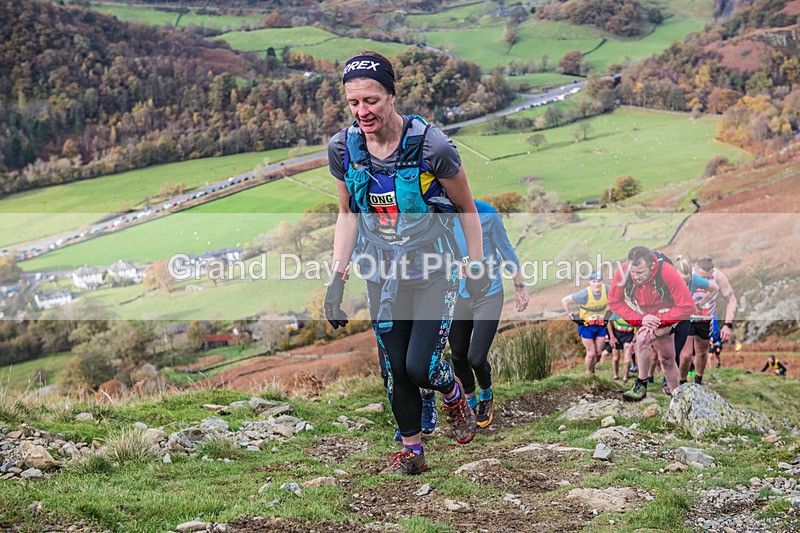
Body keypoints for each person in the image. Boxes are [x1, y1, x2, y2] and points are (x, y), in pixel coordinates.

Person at [325, 52, 487, 475]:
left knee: (422, 366)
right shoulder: (343, 148)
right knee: (395, 370)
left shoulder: (432, 146)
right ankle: (413, 451)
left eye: (372, 100)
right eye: (354, 103)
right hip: (382, 275)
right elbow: (347, 214)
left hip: (435, 269)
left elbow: (467, 209)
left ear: (392, 95)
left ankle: (451, 393)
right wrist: (337, 280)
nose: (363, 111)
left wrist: (476, 265)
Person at [449, 199, 529, 428]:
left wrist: (519, 286)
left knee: (475, 357)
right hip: (457, 295)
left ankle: (486, 394)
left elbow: (506, 250)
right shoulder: (439, 213)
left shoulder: (486, 212)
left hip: (488, 293)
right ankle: (470, 401)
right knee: (458, 356)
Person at [608, 246, 695, 401]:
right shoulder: (625, 271)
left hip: (673, 314)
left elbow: (687, 306)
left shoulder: (666, 271)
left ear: (652, 267)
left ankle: (645, 386)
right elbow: (614, 302)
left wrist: (659, 320)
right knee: (666, 359)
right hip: (648, 316)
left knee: (644, 338)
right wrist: (640, 319)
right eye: (633, 272)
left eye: (640, 272)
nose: (635, 277)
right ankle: (675, 396)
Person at [674, 255, 720, 385]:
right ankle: (682, 382)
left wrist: (700, 304)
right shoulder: (680, 276)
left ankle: (698, 380)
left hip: (704, 319)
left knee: (701, 353)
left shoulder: (697, 279)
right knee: (686, 355)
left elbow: (716, 288)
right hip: (688, 319)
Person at [561, 272, 609, 375]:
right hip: (587, 326)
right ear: (590, 282)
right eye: (594, 281)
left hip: (600, 325)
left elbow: (619, 296)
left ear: (602, 281)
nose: (597, 284)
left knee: (599, 353)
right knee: (591, 353)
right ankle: (588, 373)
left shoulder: (607, 289)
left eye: (599, 281)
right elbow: (564, 300)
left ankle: (592, 369)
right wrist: (570, 314)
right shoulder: (584, 293)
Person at [607, 313, 634, 382]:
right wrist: (612, 337)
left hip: (629, 335)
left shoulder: (636, 312)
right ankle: (615, 375)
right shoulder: (618, 312)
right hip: (617, 334)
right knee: (615, 358)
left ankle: (625, 378)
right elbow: (609, 323)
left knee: (627, 360)